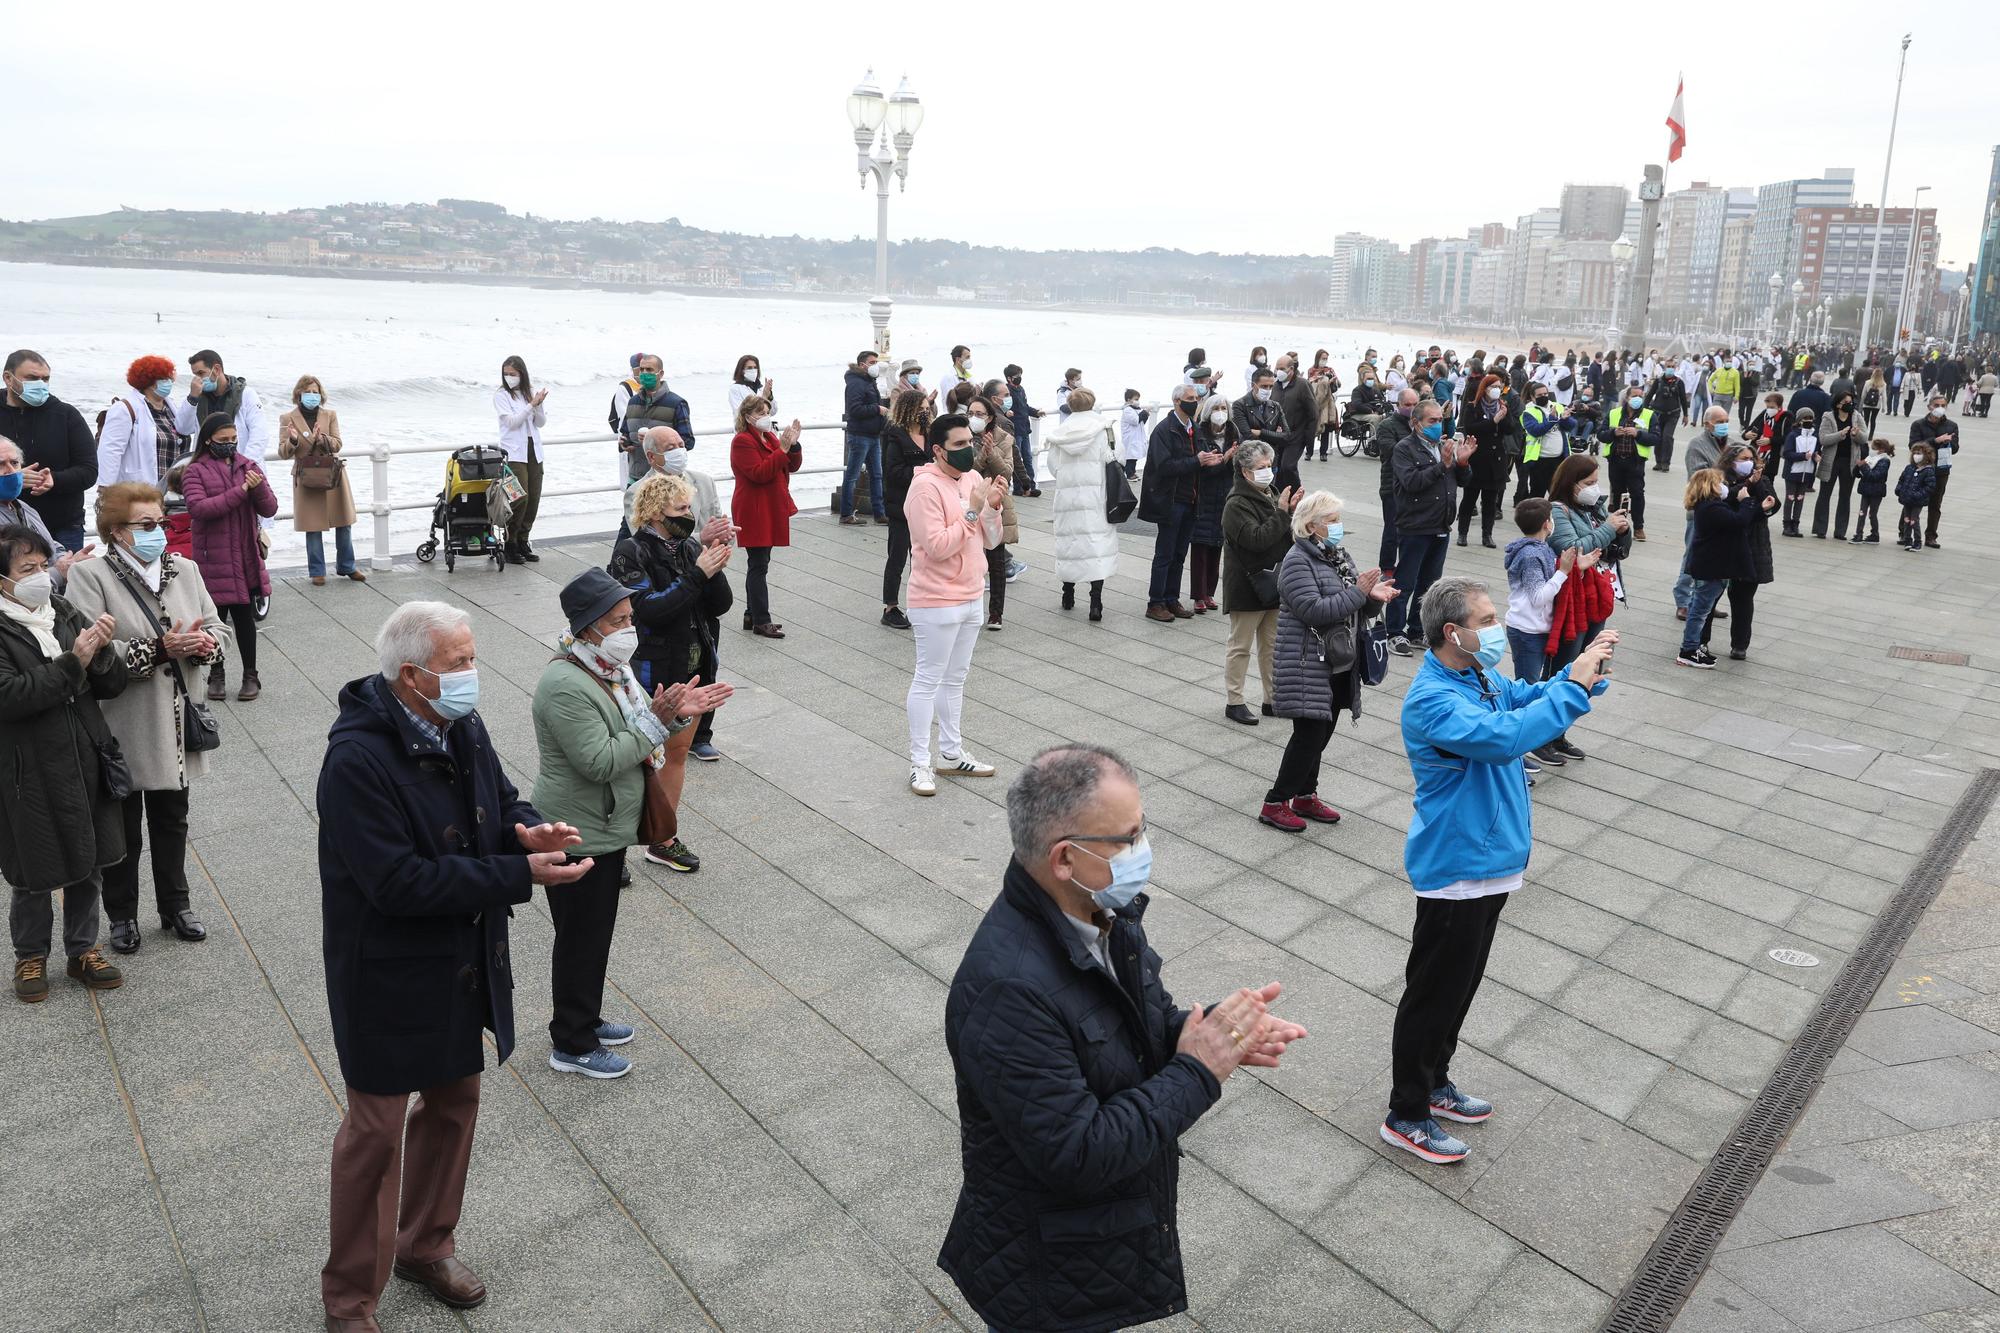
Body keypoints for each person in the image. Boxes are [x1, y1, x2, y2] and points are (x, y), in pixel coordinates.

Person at [938, 743, 1306, 1333]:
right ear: (1064, 859)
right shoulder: (1008, 990)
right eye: (1128, 838)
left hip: (1098, 1243)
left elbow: (1139, 1024)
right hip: (1047, 1269)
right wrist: (1197, 1070)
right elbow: (1079, 1154)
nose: (1142, 851)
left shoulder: (1103, 916)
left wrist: (1215, 1032)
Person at [318, 601, 591, 1330]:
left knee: (454, 1103)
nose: (474, 673)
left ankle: (424, 1242)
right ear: (413, 676)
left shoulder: (458, 723)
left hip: (458, 959)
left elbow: (498, 801)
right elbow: (396, 882)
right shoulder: (355, 759)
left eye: (472, 656)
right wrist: (517, 874)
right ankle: (349, 1297)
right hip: (384, 969)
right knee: (374, 1131)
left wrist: (525, 826)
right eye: (461, 661)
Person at [1382, 577, 1613, 1163]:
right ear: (1451, 632)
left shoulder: (1474, 674)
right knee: (1433, 993)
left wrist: (1574, 676)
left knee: (1460, 987)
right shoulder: (1432, 699)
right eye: (1485, 620)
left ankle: (1435, 1084)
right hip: (1457, 865)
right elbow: (1505, 737)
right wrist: (1573, 694)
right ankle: (1406, 1112)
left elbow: (1518, 701)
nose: (1496, 629)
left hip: (1492, 860)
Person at [531, 569, 731, 1079]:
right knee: (579, 938)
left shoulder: (610, 671)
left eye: (629, 618)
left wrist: (676, 714)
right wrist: (659, 722)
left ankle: (588, 1018)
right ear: (590, 627)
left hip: (608, 824)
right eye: (619, 620)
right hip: (578, 831)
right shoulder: (564, 684)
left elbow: (645, 725)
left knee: (594, 934)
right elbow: (599, 760)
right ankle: (571, 1043)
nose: (629, 628)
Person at [66, 481, 231, 953]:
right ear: (116, 531)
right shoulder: (91, 575)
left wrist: (207, 645)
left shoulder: (186, 568)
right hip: (123, 717)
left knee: (173, 817)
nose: (158, 531)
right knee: (122, 824)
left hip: (177, 717)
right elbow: (90, 648)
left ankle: (175, 906)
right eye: (146, 524)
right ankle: (121, 916)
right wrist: (160, 648)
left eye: (161, 521)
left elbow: (217, 625)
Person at [0, 523, 127, 1003]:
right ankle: (29, 954)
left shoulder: (64, 610)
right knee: (34, 866)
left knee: (89, 859)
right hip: (25, 767)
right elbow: (10, 696)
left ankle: (82, 950)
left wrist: (102, 655)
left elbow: (109, 687)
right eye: (25, 569)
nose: (39, 575)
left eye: (42, 565)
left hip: (84, 755)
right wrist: (74, 662)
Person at [608, 474, 737, 869]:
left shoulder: (687, 546)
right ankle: (607, 850)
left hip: (693, 666)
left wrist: (713, 559)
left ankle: (663, 838)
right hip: (653, 670)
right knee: (634, 760)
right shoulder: (631, 552)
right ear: (655, 512)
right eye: (680, 509)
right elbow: (650, 610)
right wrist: (698, 573)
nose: (689, 516)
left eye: (689, 508)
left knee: (677, 754)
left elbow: (721, 605)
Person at [1259, 491, 1396, 832]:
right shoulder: (1296, 561)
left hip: (1338, 660)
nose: (1338, 527)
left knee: (1323, 732)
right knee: (1308, 736)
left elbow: (1354, 604)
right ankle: (1275, 802)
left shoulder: (1335, 554)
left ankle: (1305, 795)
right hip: (1307, 661)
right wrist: (1359, 593)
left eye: (1338, 519)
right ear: (1310, 526)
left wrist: (1373, 598)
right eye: (1332, 521)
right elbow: (1314, 610)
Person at [901, 414, 1003, 796]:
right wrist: (974, 510)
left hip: (972, 593)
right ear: (938, 450)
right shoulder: (924, 488)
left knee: (955, 679)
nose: (968, 450)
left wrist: (991, 507)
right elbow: (939, 546)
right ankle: (919, 763)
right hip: (935, 599)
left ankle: (951, 752)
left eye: (970, 443)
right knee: (928, 678)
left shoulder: (974, 480)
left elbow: (990, 541)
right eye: (958, 445)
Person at [1541, 454, 1628, 765]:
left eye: (1596, 482)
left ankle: (1559, 733)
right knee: (1567, 667)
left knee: (1590, 664)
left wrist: (1621, 528)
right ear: (1571, 483)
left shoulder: (1594, 507)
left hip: (1598, 594)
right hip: (1573, 599)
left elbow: (1614, 549)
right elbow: (1572, 549)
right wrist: (1607, 528)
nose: (1595, 488)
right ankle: (1542, 736)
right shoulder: (1556, 510)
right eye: (1589, 483)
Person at [182, 414, 275, 702]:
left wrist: (257, 487)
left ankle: (251, 675)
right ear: (208, 440)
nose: (230, 445)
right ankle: (216, 674)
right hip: (213, 557)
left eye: (233, 440)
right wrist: (241, 491)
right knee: (214, 618)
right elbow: (200, 509)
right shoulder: (194, 471)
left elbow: (270, 508)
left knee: (245, 618)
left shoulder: (248, 466)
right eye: (223, 440)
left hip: (245, 555)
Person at [1385, 398, 1469, 657]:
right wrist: (1441, 466)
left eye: (1440, 420)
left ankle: (1416, 628)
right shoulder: (1404, 449)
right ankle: (1394, 632)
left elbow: (1463, 480)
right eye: (1431, 421)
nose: (1437, 425)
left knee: (1429, 584)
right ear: (1416, 423)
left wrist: (1462, 463)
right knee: (1405, 582)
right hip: (1415, 525)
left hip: (1441, 525)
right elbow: (1411, 482)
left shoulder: (1445, 446)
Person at [1220, 442, 1294, 726]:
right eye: (1261, 468)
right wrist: (1283, 513)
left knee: (1272, 645)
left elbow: (1282, 534)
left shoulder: (1270, 493)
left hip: (1274, 581)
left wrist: (1292, 512)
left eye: (1269, 466)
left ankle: (1271, 698)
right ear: (1245, 471)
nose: (1268, 472)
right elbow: (1257, 539)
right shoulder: (1236, 503)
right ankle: (1235, 701)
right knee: (1240, 645)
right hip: (1248, 584)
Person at [0, 350, 99, 552]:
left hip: (63, 524)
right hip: (5, 524)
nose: (40, 384)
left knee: (63, 579)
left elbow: (89, 470)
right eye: (32, 378)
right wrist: (13, 476)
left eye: (45, 379)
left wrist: (54, 479)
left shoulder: (66, 415)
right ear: (8, 378)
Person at [1676, 467, 1771, 669]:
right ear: (1710, 486)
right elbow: (1738, 521)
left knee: (1700, 607)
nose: (1724, 486)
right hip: (1711, 567)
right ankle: (1689, 650)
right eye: (1720, 482)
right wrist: (1746, 501)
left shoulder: (1711, 505)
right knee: (1700, 610)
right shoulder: (1711, 508)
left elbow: (1734, 516)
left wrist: (1753, 498)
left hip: (1711, 566)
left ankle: (1692, 647)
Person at [728, 394, 804, 639]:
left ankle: (752, 614)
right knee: (758, 564)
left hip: (769, 506)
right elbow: (759, 473)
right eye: (759, 412)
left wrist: (793, 445)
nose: (764, 417)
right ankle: (762, 619)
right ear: (747, 415)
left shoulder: (769, 436)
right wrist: (782, 448)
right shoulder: (742, 441)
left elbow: (790, 465)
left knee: (761, 562)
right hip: (754, 509)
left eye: (766, 412)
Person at [277, 375, 364, 586]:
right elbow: (282, 452)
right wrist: (294, 440)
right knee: (312, 525)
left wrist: (321, 438)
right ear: (299, 394)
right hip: (306, 475)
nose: (312, 396)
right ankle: (317, 571)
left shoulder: (330, 415)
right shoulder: (287, 418)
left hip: (332, 474)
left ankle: (347, 566)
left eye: (316, 392)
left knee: (343, 521)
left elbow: (337, 444)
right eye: (308, 392)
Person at [1041, 387, 1116, 621]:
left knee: (1070, 544)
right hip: (1096, 498)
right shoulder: (1103, 429)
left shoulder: (1059, 434)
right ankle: (1096, 602)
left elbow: (1053, 467)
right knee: (1096, 546)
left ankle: (1068, 594)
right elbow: (1114, 458)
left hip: (1067, 499)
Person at [1504, 498, 1589, 690]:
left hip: (1536, 627)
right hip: (1527, 630)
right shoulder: (1531, 556)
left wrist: (1576, 568)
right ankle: (1520, 716)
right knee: (1527, 685)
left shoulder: (1542, 548)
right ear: (1546, 524)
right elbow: (1538, 597)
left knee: (1532, 682)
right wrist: (1563, 572)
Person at [1140, 383, 1203, 622]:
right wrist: (1197, 461)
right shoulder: (1164, 430)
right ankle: (1155, 602)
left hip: (1191, 499)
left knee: (1179, 553)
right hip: (1171, 499)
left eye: (1196, 397)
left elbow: (1200, 455)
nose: (1194, 401)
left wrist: (1215, 457)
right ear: (1177, 401)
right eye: (1190, 398)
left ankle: (1171, 598)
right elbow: (1163, 466)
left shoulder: (1194, 428)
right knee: (1164, 553)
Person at [1186, 382, 1241, 613]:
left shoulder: (1233, 432)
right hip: (1204, 497)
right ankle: (1198, 595)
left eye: (1224, 407)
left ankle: (1209, 592)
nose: (1221, 412)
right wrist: (1226, 458)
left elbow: (1238, 467)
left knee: (1217, 546)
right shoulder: (1200, 434)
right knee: (1200, 547)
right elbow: (1205, 470)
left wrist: (1233, 459)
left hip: (1225, 495)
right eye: (1216, 407)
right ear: (1208, 411)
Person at [967, 393, 1020, 631]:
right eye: (970, 413)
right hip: (972, 501)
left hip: (996, 501)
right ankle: (971, 607)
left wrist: (992, 452)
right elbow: (968, 472)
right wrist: (981, 455)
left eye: (979, 414)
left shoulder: (1004, 438)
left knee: (996, 560)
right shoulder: (963, 436)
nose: (974, 418)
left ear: (990, 417)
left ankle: (996, 613)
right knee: (971, 557)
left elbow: (1006, 473)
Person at [879, 387, 931, 630]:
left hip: (927, 504)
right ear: (909, 410)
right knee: (897, 556)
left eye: (927, 409)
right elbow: (892, 471)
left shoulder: (930, 433)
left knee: (923, 557)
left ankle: (922, 602)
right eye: (921, 409)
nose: (925, 413)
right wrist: (922, 472)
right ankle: (890, 607)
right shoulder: (895, 434)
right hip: (901, 504)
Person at [97, 354, 188, 488]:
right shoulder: (125, 408)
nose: (169, 382)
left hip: (173, 490)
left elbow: (187, 430)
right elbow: (111, 450)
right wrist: (105, 487)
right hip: (139, 490)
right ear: (150, 382)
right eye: (164, 379)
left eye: (170, 378)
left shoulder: (171, 407)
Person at [492, 355, 547, 562]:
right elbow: (512, 423)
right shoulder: (501, 396)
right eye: (506, 374)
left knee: (533, 497)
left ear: (521, 374)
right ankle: (510, 542)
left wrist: (538, 405)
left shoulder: (529, 393)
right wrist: (531, 405)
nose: (509, 378)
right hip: (513, 452)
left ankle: (524, 540)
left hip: (534, 449)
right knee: (519, 497)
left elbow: (540, 422)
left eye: (513, 374)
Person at [1595, 384, 1659, 541]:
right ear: (1627, 397)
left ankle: (1638, 527)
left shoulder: (1650, 415)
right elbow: (1601, 435)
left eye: (1640, 396)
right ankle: (1618, 525)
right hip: (1616, 459)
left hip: (1635, 461)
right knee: (1617, 493)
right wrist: (1613, 433)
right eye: (1634, 396)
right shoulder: (1614, 413)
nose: (1637, 399)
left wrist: (1638, 434)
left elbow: (1656, 438)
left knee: (1637, 493)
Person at [1458, 374, 1514, 546]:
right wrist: (1493, 421)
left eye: (1499, 386)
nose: (1497, 390)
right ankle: (1462, 533)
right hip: (1477, 459)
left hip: (1495, 462)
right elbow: (1471, 429)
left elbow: (1510, 429)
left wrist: (1503, 417)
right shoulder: (1472, 407)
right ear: (1485, 388)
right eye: (1493, 387)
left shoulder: (1502, 406)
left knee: (1490, 501)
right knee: (1469, 498)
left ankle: (1487, 535)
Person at [840, 349, 889, 525]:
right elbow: (854, 410)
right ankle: (846, 514)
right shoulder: (856, 383)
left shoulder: (869, 381)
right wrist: (877, 409)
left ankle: (880, 514)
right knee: (852, 475)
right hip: (859, 435)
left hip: (873, 435)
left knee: (877, 475)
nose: (876, 366)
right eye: (873, 362)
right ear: (862, 365)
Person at [1812, 389, 1867, 539]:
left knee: (1845, 496)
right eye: (1846, 403)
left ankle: (1840, 531)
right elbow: (1823, 439)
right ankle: (1820, 529)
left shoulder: (1857, 416)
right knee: (1824, 494)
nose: (1850, 405)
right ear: (1838, 404)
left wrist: (1857, 434)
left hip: (1849, 462)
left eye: (1851, 402)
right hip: (1831, 461)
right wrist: (1840, 434)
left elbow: (1865, 438)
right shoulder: (1828, 417)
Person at [1372, 389, 1417, 570]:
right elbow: (1393, 451)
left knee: (1412, 531)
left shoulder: (1420, 423)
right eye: (1407, 405)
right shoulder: (1387, 425)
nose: (1412, 408)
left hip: (1414, 484)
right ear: (1398, 405)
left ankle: (1408, 565)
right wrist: (1416, 437)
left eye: (1415, 404)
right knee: (1392, 529)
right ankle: (1387, 568)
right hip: (1392, 485)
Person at [1907, 394, 1959, 548]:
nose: (1940, 408)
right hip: (1920, 469)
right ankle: (1905, 533)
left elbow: (1955, 448)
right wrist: (1935, 441)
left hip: (1941, 470)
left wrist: (1949, 442)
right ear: (1929, 406)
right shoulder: (1918, 424)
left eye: (1943, 405)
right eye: (1936, 405)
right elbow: (1913, 445)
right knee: (1912, 500)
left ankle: (1931, 536)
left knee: (1935, 504)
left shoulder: (1951, 425)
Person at [1272, 353, 1317, 493]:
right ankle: (1281, 497)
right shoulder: (1275, 386)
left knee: (1288, 466)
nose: (1278, 371)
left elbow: (1313, 413)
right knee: (1278, 469)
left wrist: (1309, 440)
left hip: (1296, 435)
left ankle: (1297, 494)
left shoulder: (1302, 385)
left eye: (1281, 368)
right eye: (1276, 368)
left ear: (1291, 369)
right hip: (1278, 437)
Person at [1004, 364, 1045, 494]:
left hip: (1025, 428)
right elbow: (1001, 407)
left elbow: (1024, 407)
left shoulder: (1021, 389)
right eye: (1017, 376)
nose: (1019, 378)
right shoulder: (1006, 391)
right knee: (1017, 459)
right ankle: (1018, 488)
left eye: (1020, 375)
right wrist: (1006, 413)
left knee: (1028, 458)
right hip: (1015, 430)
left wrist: (1036, 412)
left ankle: (1031, 486)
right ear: (1009, 378)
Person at [1778, 407, 1818, 538]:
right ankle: (1787, 525)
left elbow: (1816, 451)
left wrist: (1816, 456)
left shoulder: (1814, 436)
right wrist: (1802, 456)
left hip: (1807, 473)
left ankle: (1795, 524)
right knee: (1790, 498)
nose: (1808, 421)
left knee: (1800, 499)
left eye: (1811, 418)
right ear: (1799, 420)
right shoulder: (1793, 435)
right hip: (1793, 472)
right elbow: (1787, 453)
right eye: (1806, 418)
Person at [1895, 442, 1938, 551]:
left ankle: (1917, 541)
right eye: (1914, 453)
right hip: (1907, 499)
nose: (1916, 455)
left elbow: (1930, 487)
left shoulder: (1928, 470)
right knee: (1906, 520)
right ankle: (1907, 540)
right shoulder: (1909, 468)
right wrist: (1899, 489)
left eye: (1919, 453)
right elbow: (1902, 479)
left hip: (1917, 501)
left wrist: (1918, 495)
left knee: (1914, 520)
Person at [1852, 438, 1894, 544]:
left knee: (1872, 514)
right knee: (1862, 512)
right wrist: (1858, 467)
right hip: (1866, 489)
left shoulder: (1884, 460)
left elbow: (1875, 476)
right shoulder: (1870, 458)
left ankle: (1875, 534)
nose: (1872, 450)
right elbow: (1858, 474)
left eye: (1874, 448)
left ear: (1881, 449)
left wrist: (1863, 466)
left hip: (1876, 491)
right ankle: (1858, 534)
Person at [728, 353, 771, 421]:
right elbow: (741, 413)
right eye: (749, 368)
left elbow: (773, 411)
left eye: (755, 367)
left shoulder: (760, 388)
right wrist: (764, 397)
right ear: (742, 370)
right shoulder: (735, 388)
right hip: (745, 429)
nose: (753, 370)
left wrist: (770, 395)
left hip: (763, 428)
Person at [1118, 389, 1148, 480]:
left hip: (1136, 437)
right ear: (1128, 399)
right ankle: (1129, 474)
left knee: (1134, 456)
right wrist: (1144, 413)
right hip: (1130, 438)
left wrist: (1145, 415)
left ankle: (1132, 472)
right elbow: (1135, 421)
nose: (1137, 401)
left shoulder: (1136, 409)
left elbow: (1141, 422)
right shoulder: (1127, 410)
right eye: (1135, 399)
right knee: (1130, 457)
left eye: (1138, 399)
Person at [1862, 367, 1887, 435]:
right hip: (1876, 405)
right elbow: (1884, 396)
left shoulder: (1867, 382)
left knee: (1866, 419)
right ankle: (1871, 435)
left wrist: (1861, 404)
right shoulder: (1883, 384)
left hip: (1866, 404)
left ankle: (1865, 434)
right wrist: (1884, 407)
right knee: (1873, 420)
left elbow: (1863, 394)